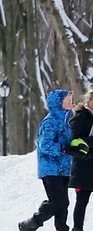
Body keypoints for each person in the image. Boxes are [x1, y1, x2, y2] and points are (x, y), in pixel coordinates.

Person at [19, 89, 76, 231]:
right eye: (68, 100)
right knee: (57, 201)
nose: (71, 102)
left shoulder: (67, 121)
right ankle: (33, 222)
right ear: (58, 103)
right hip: (50, 168)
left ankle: (62, 227)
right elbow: (45, 145)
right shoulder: (50, 122)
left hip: (64, 168)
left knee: (64, 202)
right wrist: (63, 148)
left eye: (71, 100)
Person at [68, 90, 93, 231]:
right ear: (89, 100)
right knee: (82, 200)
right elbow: (74, 142)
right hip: (83, 165)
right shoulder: (80, 117)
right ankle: (77, 228)